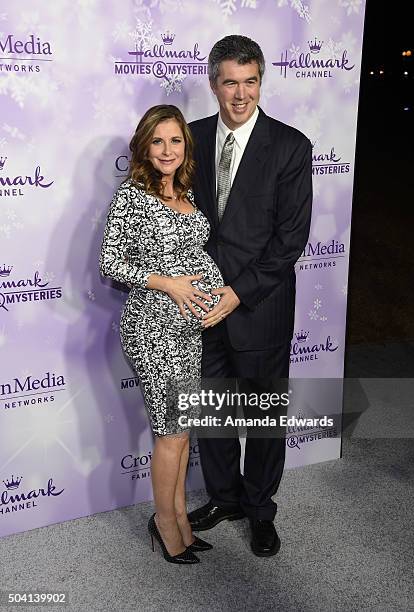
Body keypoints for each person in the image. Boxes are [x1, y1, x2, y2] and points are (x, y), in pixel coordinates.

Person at [187, 35, 313, 556]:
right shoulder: (189, 139)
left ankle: (261, 510)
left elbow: (290, 239)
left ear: (261, 81)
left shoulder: (290, 146)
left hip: (257, 306)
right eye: (230, 82)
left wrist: (236, 294)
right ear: (214, 84)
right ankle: (225, 497)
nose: (241, 95)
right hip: (197, 305)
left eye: (251, 81)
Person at [100, 105, 224, 564]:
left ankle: (181, 519)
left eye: (176, 141)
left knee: (181, 430)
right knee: (171, 434)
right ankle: (166, 524)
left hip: (188, 332)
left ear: (185, 146)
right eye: (158, 141)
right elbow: (111, 263)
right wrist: (169, 283)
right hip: (153, 329)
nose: (168, 150)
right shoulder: (133, 196)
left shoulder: (186, 189)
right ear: (144, 147)